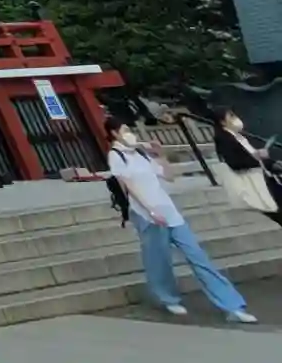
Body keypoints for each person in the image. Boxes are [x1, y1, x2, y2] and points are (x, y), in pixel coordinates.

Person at [106, 115, 256, 322]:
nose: (129, 133)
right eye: (124, 130)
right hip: (146, 215)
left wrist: (160, 154)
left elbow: (168, 176)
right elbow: (128, 187)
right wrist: (150, 211)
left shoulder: (140, 153)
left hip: (169, 211)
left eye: (129, 129)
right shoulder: (115, 156)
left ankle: (232, 306)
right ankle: (168, 298)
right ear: (114, 133)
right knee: (159, 261)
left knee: (198, 256)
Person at [212, 107, 282, 225]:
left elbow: (252, 157)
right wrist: (257, 157)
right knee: (276, 210)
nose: (236, 119)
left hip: (263, 178)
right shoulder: (224, 139)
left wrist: (271, 163)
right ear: (222, 122)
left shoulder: (239, 137)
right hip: (253, 182)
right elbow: (235, 162)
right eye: (231, 116)